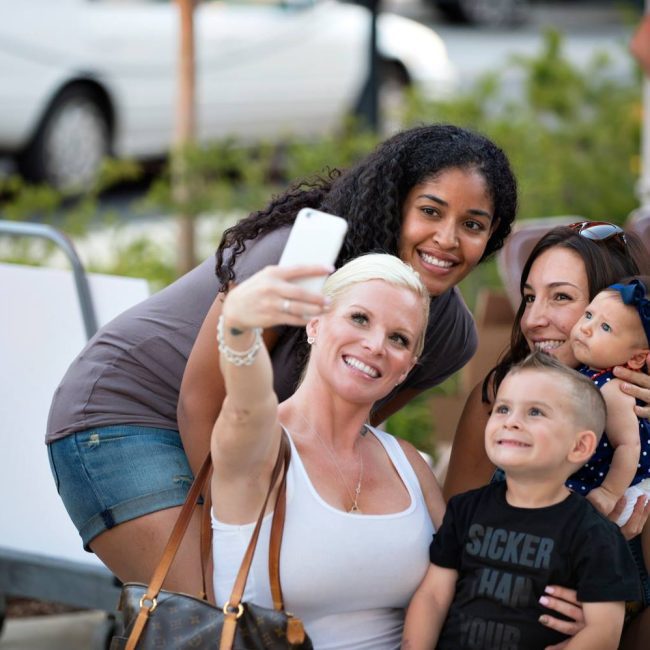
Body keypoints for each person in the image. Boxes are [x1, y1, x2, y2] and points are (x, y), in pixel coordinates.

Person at [46, 124, 518, 593]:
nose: (447, 238)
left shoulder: (449, 337)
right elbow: (200, 401)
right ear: (396, 204)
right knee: (211, 602)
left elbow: (343, 426)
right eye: (430, 211)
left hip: (239, 438)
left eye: (472, 225)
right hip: (123, 416)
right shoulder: (302, 259)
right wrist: (236, 526)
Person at [211, 253, 445, 648]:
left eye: (398, 338)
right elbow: (247, 404)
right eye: (359, 318)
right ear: (315, 323)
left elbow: (468, 577)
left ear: (406, 368)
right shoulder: (259, 443)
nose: (375, 345)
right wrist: (238, 329)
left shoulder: (407, 463)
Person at [443, 222, 650, 648]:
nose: (535, 319)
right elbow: (449, 548)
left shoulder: (638, 416)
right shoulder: (496, 399)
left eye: (561, 297)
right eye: (531, 297)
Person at [402, 352, 641, 650]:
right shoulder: (465, 510)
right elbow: (433, 597)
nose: (511, 422)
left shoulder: (594, 534)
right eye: (503, 409)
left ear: (580, 446)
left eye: (535, 412)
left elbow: (604, 632)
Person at [567, 276, 650, 567]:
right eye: (589, 315)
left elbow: (628, 445)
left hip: (618, 487)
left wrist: (608, 493)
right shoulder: (585, 374)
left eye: (605, 327)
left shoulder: (614, 388)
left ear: (637, 359)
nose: (586, 327)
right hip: (586, 477)